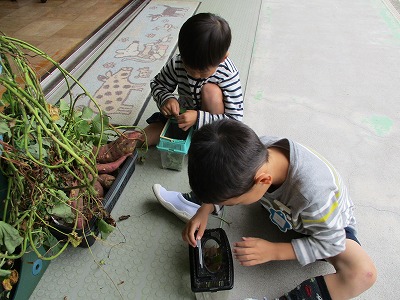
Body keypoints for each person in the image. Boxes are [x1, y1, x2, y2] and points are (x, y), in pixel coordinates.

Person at [155, 119, 376, 300]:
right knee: (222, 175)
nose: (233, 205)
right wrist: (204, 210)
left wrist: (273, 250)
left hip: (326, 226)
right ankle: (197, 202)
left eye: (233, 203)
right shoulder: (254, 152)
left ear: (264, 181)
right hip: (286, 212)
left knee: (363, 274)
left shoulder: (314, 195)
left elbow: (331, 243)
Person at [143, 12, 244, 146]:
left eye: (203, 72)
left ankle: (208, 143)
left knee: (210, 91)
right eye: (189, 68)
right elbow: (158, 84)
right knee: (139, 138)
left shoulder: (228, 75)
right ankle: (112, 149)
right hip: (183, 118)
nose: (195, 76)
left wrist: (198, 118)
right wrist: (167, 98)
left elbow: (235, 121)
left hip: (214, 127)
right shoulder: (178, 62)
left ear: (223, 58)